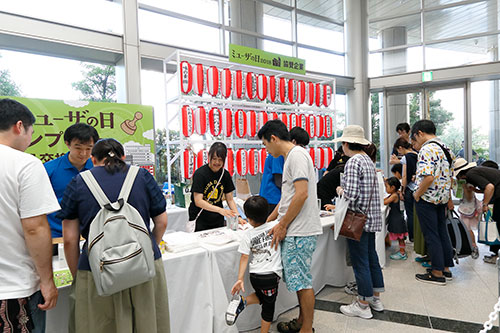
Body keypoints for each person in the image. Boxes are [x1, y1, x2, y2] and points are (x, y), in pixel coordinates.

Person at [58, 138, 170, 332]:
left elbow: (69, 239)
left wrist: (79, 275)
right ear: (123, 157)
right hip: (143, 268)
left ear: (93, 159)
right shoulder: (142, 176)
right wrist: (146, 250)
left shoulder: (79, 182)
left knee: (98, 325)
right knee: (147, 323)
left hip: (97, 270)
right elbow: (162, 222)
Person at [0, 98, 60, 332]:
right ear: (19, 126)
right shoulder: (25, 164)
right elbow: (35, 227)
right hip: (14, 288)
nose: (30, 139)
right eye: (31, 132)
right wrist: (47, 281)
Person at [258, 120, 322, 333]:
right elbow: (288, 198)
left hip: (299, 230)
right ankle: (302, 322)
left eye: (266, 144)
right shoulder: (291, 158)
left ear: (274, 138)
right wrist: (269, 221)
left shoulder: (296, 156)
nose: (267, 149)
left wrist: (283, 224)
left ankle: (307, 329)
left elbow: (302, 194)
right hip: (295, 229)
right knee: (298, 279)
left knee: (302, 282)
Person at [334, 125, 384, 319]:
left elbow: (352, 195)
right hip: (370, 218)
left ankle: (362, 304)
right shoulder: (368, 160)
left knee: (360, 261)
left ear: (346, 143)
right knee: (372, 258)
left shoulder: (353, 162)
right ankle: (375, 298)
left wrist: (340, 190)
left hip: (358, 221)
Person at [226, 196, 282, 333]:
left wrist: (240, 279)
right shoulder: (276, 225)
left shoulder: (248, 234)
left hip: (255, 276)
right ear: (267, 211)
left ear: (248, 219)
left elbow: (244, 257)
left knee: (263, 297)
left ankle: (242, 302)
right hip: (271, 275)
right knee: (269, 307)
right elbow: (282, 206)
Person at [411, 120, 455, 285]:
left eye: (414, 138)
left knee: (431, 235)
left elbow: (428, 177)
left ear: (420, 133)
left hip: (428, 198)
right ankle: (446, 268)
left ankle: (436, 273)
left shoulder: (427, 149)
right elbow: (450, 176)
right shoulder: (445, 148)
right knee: (442, 232)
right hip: (442, 197)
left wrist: (417, 194)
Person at [44, 123, 99, 238]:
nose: (83, 153)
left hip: (91, 233)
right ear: (67, 144)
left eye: (89, 148)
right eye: (78, 148)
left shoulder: (98, 170)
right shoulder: (49, 169)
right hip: (57, 234)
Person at [188, 142, 243, 231]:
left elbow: (230, 199)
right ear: (209, 156)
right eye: (214, 159)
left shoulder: (225, 174)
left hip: (217, 218)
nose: (217, 162)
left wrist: (238, 216)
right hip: (200, 218)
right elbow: (198, 201)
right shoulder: (200, 174)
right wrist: (221, 210)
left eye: (220, 160)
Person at [454, 158, 500, 264]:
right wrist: (477, 190)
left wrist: (485, 204)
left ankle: (496, 255)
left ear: (461, 174)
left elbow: (490, 187)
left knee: (497, 224)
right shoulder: (476, 171)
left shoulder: (471, 174)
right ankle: (496, 254)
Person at [394, 137, 418, 242]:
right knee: (417, 214)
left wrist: (402, 190)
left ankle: (412, 236)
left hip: (409, 189)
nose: (399, 152)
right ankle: (418, 237)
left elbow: (404, 177)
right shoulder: (417, 155)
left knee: (410, 214)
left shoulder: (405, 158)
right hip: (418, 188)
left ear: (400, 147)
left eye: (398, 150)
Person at [384, 177, 408, 260]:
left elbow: (385, 202)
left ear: (393, 187)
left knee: (400, 237)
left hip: (397, 220)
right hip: (398, 218)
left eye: (386, 187)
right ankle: (402, 251)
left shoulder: (394, 195)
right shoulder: (396, 193)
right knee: (399, 237)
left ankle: (402, 253)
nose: (385, 189)